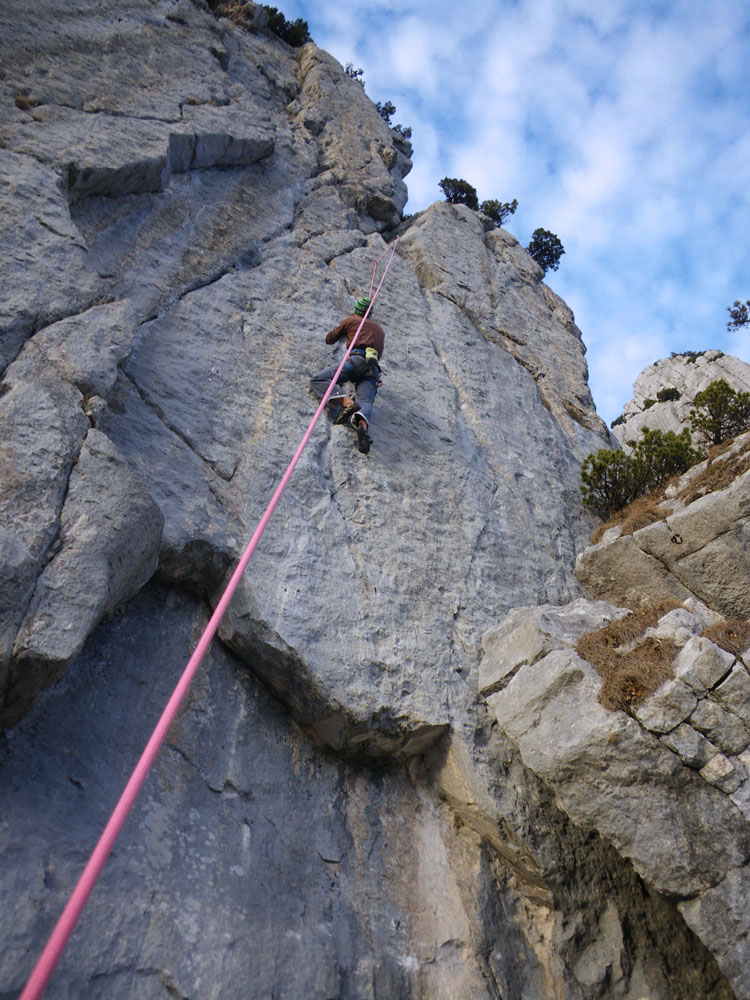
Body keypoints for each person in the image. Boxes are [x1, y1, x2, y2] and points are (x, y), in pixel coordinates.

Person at [309, 297, 385, 455]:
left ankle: (347, 402)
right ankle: (362, 427)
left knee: (319, 379)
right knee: (365, 400)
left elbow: (330, 339)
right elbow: (380, 353)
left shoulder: (351, 320)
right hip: (372, 368)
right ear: (369, 313)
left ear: (357, 309)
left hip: (355, 360)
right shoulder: (379, 330)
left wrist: (346, 331)